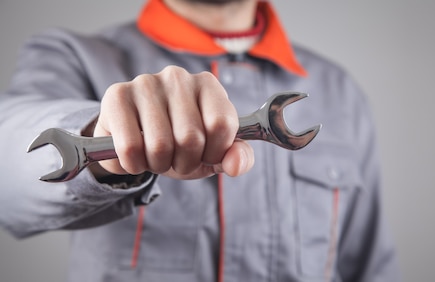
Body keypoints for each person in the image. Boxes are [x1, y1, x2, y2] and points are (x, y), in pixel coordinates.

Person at [0, 0, 399, 281]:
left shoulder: (339, 90)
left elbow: (369, 265)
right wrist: (98, 137)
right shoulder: (73, 56)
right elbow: (8, 172)